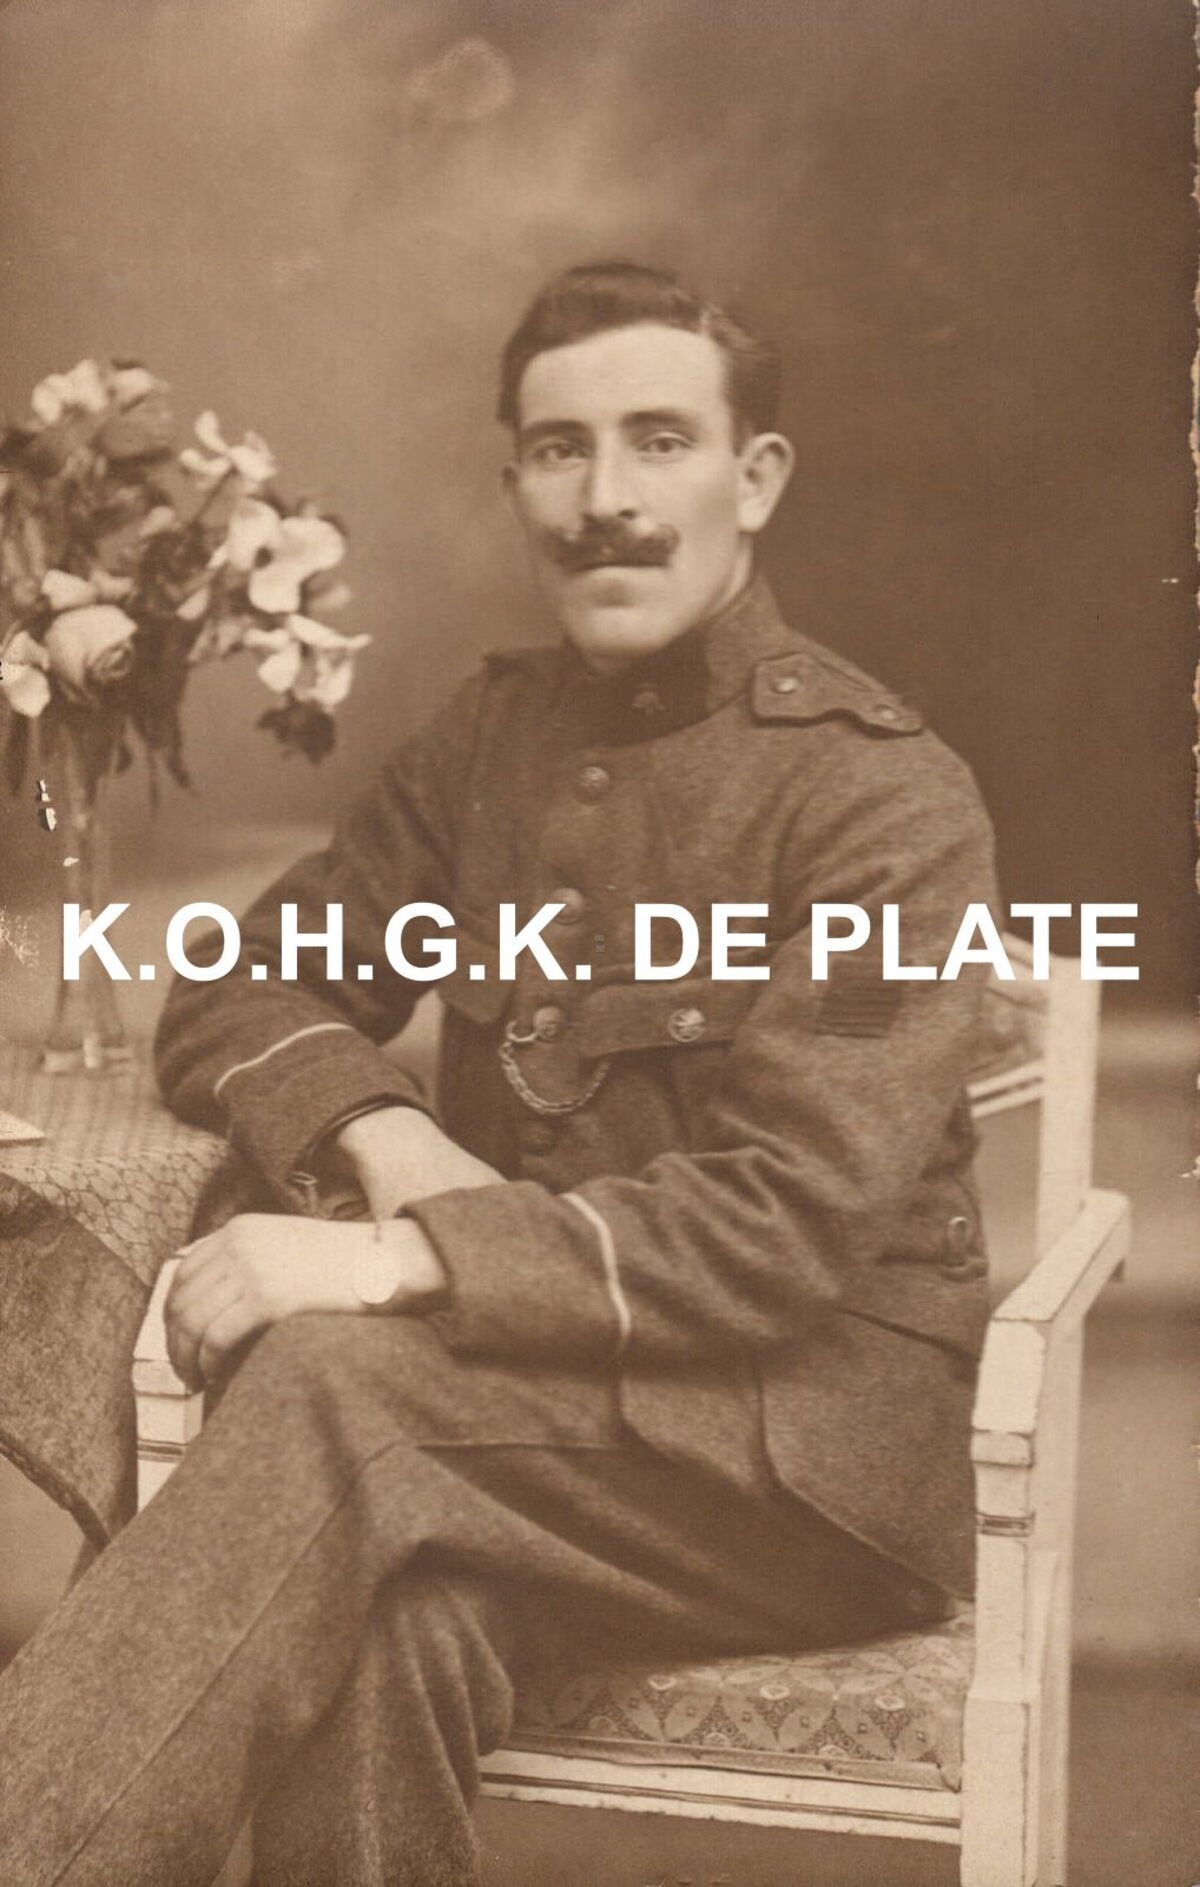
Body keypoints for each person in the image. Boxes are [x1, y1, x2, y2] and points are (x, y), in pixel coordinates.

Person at [0, 262, 996, 1887]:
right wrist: (388, 1140)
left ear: (754, 478)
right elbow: (240, 984)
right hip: (518, 1431)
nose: (605, 502)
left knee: (333, 1390)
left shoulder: (882, 799)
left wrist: (396, 1261)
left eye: (658, 441)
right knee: (378, 1618)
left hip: (792, 1460)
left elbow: (781, 1230)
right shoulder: (493, 743)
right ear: (517, 480)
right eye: (558, 450)